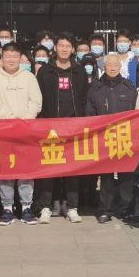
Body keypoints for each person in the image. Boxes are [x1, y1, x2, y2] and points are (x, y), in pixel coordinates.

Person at [0, 43, 43, 225]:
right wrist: (9, 119)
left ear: (20, 58)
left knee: (26, 170)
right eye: (8, 56)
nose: (11, 59)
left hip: (26, 131)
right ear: (2, 58)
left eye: (15, 56)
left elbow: (36, 101)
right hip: (2, 131)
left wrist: (24, 119)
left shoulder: (29, 77)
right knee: (5, 171)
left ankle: (26, 207)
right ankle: (7, 208)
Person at [36, 33, 88, 224]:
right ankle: (45, 207)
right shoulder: (45, 71)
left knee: (73, 169)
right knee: (49, 168)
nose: (64, 49)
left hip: (74, 126)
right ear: (55, 47)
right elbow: (39, 98)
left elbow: (84, 97)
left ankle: (72, 207)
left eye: (68, 46)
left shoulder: (79, 71)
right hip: (50, 126)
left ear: (73, 49)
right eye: (61, 45)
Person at [87, 53, 139, 223]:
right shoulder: (95, 88)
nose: (112, 67)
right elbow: (89, 114)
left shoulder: (129, 87)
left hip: (125, 136)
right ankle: (105, 210)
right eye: (109, 65)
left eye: (116, 64)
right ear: (104, 67)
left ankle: (126, 209)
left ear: (120, 66)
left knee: (126, 175)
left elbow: (137, 112)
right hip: (104, 137)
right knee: (106, 176)